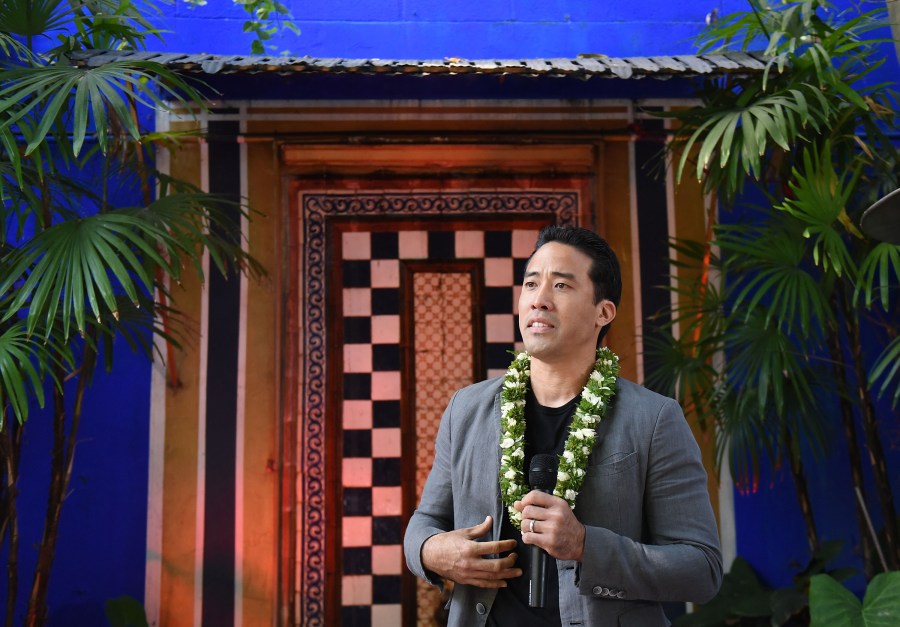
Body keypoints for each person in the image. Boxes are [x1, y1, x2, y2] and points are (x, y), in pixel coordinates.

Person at [404, 225, 723, 626]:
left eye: (561, 286)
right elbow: (424, 524)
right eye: (532, 283)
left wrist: (586, 545)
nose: (539, 300)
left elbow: (702, 569)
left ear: (603, 312)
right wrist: (434, 552)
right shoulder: (466, 409)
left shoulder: (654, 419)